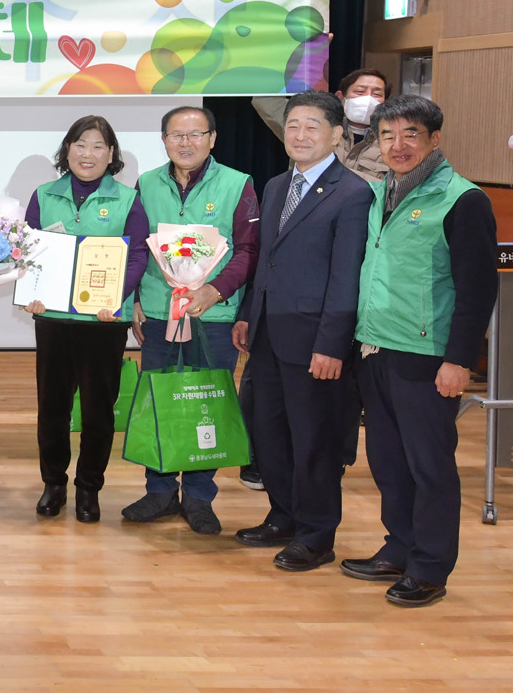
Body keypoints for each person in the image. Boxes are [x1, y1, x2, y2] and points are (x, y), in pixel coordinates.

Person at [342, 95, 496, 607]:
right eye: (387, 135)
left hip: (427, 355)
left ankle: (429, 567)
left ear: (434, 140)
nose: (398, 145)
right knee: (388, 461)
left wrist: (459, 360)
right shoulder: (378, 192)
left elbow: (477, 290)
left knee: (429, 465)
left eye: (411, 134)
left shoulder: (462, 199)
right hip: (375, 346)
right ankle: (399, 547)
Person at [230, 91, 373, 571]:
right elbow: (265, 261)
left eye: (313, 126)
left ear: (336, 135)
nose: (300, 135)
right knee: (269, 432)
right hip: (268, 334)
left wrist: (332, 344)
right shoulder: (276, 186)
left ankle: (316, 535)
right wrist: (248, 313)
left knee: (314, 440)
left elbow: (346, 277)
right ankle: (283, 515)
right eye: (293, 125)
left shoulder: (352, 193)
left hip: (315, 342)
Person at [124, 105, 260, 535]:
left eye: (196, 134)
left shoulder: (238, 183)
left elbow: (248, 250)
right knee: (159, 400)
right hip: (158, 313)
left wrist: (214, 290)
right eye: (176, 135)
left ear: (212, 138)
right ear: (164, 140)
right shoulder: (147, 183)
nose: (186, 142)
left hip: (213, 315)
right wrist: (134, 300)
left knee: (207, 403)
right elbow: (137, 248)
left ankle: (200, 496)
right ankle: (160, 491)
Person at [21, 115, 149, 524]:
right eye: (80, 144)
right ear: (67, 149)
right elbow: (27, 250)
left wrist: (116, 296)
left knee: (98, 410)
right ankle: (53, 484)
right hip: (53, 318)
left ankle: (89, 487)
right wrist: (29, 292)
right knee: (52, 407)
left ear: (111, 154)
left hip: (104, 321)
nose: (87, 154)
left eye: (97, 146)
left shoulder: (127, 199)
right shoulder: (44, 195)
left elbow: (139, 255)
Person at [253, 68, 389, 184]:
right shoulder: (312, 125)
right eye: (360, 92)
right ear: (341, 97)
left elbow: (392, 189)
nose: (367, 99)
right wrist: (306, 63)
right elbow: (265, 100)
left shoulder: (392, 142)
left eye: (376, 94)